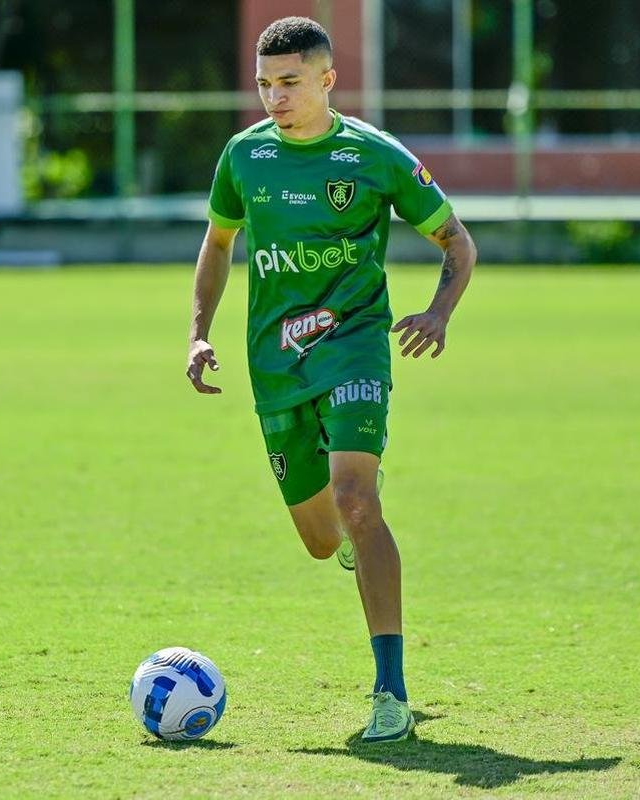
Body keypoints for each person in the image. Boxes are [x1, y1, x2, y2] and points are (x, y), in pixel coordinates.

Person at [185, 17, 476, 742]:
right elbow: (217, 243)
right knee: (322, 539)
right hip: (274, 364)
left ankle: (391, 694)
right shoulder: (243, 157)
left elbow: (456, 241)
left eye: (288, 82)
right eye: (264, 84)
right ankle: (351, 539)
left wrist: (439, 313)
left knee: (356, 497)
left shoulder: (371, 156)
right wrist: (196, 331)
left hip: (352, 347)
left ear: (325, 80)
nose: (274, 97)